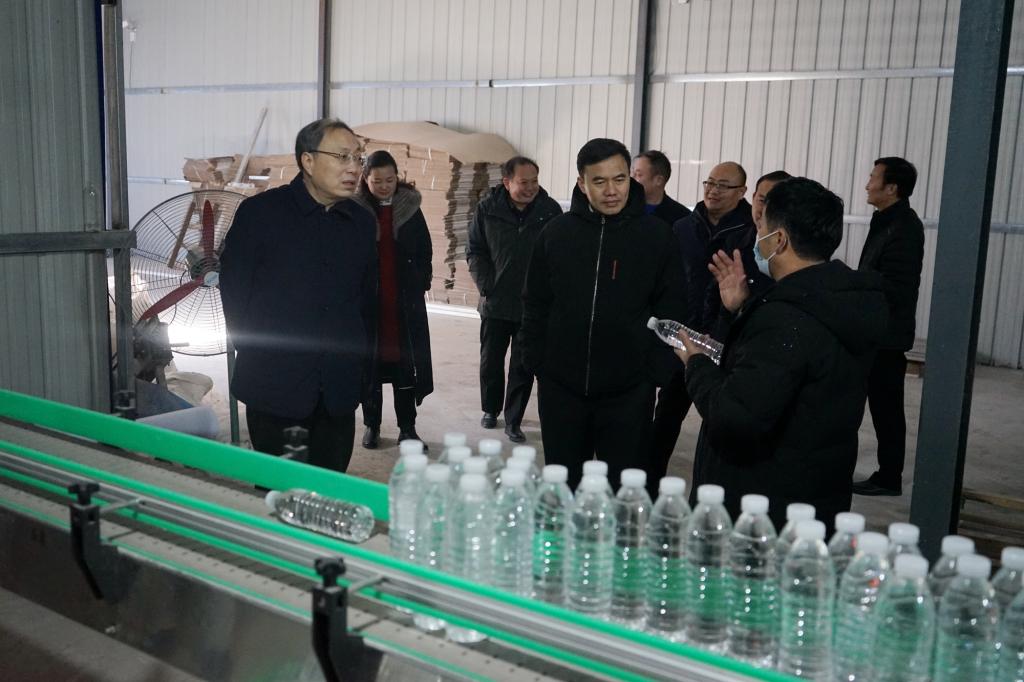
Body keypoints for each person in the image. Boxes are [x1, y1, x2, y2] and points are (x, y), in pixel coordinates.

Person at [678, 177, 887, 533]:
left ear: (779, 240)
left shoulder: (786, 319)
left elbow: (734, 417)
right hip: (816, 495)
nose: (756, 235)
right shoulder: (841, 302)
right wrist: (740, 309)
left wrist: (695, 363)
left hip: (764, 512)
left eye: (762, 227)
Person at [520, 138, 684, 490]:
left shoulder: (656, 237)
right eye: (599, 181)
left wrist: (654, 371)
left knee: (623, 489)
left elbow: (672, 308)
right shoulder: (557, 234)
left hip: (629, 392)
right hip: (561, 387)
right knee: (564, 485)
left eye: (620, 179)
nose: (612, 191)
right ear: (582, 183)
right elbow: (535, 302)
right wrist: (537, 361)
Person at [220, 118, 377, 473]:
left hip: (337, 389)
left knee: (330, 488)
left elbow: (366, 302)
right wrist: (260, 354)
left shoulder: (362, 223)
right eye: (342, 156)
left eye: (358, 158)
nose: (354, 168)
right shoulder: (261, 214)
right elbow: (235, 293)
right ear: (308, 160)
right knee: (278, 490)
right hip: (275, 387)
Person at [466, 156, 561, 443]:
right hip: (495, 301)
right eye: (523, 182)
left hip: (531, 305)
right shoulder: (487, 209)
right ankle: (490, 409)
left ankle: (514, 419)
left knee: (523, 365)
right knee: (491, 362)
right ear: (507, 182)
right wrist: (486, 285)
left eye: (534, 181)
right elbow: (475, 250)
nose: (530, 187)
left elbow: (558, 256)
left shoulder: (550, 211)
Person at [351, 150, 434, 451]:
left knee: (405, 365)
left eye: (390, 179)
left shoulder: (410, 207)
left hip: (403, 303)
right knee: (370, 366)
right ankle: (372, 425)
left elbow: (425, 249)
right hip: (369, 304)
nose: (385, 186)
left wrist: (420, 281)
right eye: (377, 181)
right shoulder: (356, 210)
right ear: (365, 180)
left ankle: (407, 428)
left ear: (397, 177)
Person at [852, 157, 925, 496]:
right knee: (878, 405)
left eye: (873, 178)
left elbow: (895, 285)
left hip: (886, 335)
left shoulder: (904, 227)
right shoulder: (886, 220)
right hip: (873, 330)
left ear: (891, 188)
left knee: (886, 408)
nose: (867, 184)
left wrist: (853, 282)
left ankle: (889, 477)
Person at [631, 150, 691, 225]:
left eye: (638, 174)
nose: (631, 178)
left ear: (658, 180)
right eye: (631, 173)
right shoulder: (622, 208)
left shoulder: (682, 218)